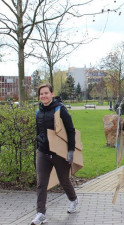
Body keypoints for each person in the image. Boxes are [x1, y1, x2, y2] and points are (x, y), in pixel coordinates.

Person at [31, 83, 78, 225]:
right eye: (41, 94)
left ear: (52, 94)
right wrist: (39, 143)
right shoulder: (38, 112)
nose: (43, 96)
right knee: (41, 183)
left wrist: (71, 150)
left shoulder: (60, 109)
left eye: (46, 93)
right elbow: (38, 131)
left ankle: (73, 199)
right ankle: (41, 214)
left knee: (63, 179)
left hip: (58, 152)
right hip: (43, 152)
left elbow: (70, 130)